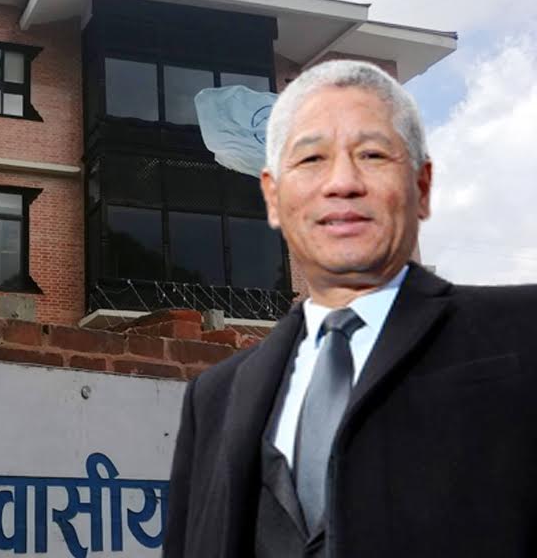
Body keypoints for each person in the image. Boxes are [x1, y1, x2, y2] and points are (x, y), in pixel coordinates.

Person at [163, 59, 537, 558]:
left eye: (372, 155)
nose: (341, 182)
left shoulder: (523, 334)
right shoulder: (213, 398)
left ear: (422, 186)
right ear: (273, 196)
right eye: (311, 159)